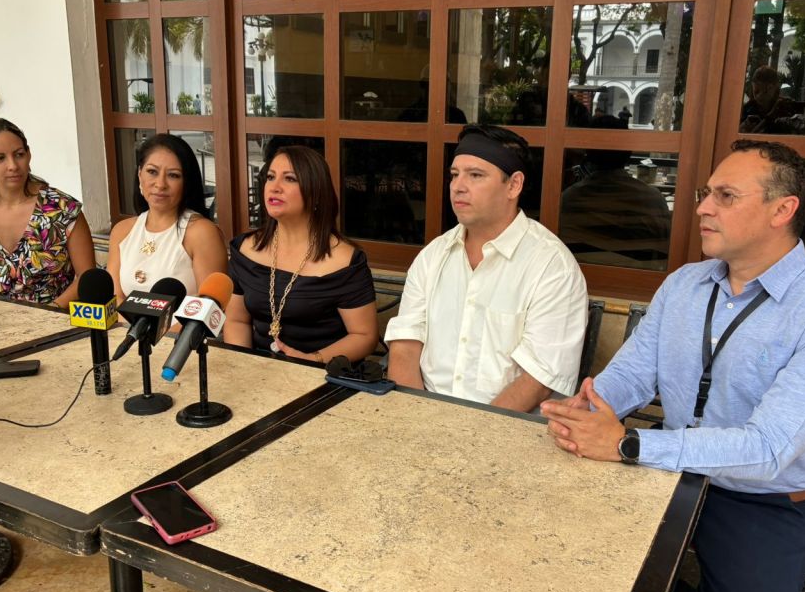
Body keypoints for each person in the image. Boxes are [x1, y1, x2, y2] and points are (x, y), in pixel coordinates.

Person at [542, 140, 805, 592]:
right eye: (705, 193)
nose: (701, 207)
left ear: (782, 210)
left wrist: (627, 444)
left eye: (725, 196)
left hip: (762, 504)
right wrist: (587, 410)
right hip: (665, 479)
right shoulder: (685, 285)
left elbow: (767, 449)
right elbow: (632, 375)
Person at [386, 124, 588, 412]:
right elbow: (404, 348)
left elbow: (538, 380)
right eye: (454, 174)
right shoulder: (433, 255)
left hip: (506, 427)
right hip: (423, 415)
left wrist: (470, 432)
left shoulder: (552, 267)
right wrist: (418, 419)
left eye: (475, 175)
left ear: (514, 185)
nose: (458, 186)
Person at [223, 145, 378, 363]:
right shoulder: (245, 248)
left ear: (316, 192)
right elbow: (236, 320)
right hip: (256, 372)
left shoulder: (345, 260)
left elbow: (364, 336)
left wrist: (312, 360)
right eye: (270, 177)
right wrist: (241, 366)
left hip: (320, 372)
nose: (274, 187)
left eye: (290, 179)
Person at [0, 117, 95, 308]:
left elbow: (86, 276)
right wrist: (5, 313)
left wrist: (45, 314)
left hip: (57, 317)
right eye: (0, 158)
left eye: (19, 154)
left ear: (29, 154)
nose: (13, 165)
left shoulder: (63, 209)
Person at [107, 133, 226, 301]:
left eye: (173, 175)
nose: (160, 184)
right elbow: (115, 298)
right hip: (125, 320)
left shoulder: (201, 232)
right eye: (152, 172)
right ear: (140, 174)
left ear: (186, 182)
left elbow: (208, 307)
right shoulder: (122, 231)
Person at [559, 116, 672, 268]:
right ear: (628, 152)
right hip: (639, 278)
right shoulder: (652, 199)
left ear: (587, 152)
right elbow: (666, 247)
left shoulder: (568, 200)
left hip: (579, 275)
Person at [739, 65, 799, 133]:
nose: (759, 95)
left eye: (768, 89)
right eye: (756, 91)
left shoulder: (785, 106)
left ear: (773, 88)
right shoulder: (747, 109)